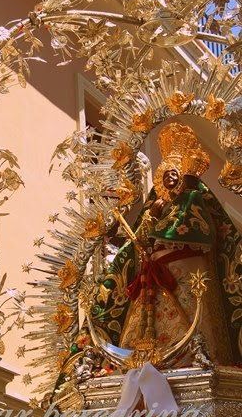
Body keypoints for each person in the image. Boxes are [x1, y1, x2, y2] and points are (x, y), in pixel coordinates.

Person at [92, 122, 242, 364]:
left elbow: (199, 229)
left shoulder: (193, 197)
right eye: (166, 174)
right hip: (154, 273)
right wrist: (150, 221)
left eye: (175, 173)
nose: (171, 177)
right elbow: (142, 237)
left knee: (190, 312)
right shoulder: (155, 206)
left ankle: (198, 354)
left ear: (182, 177)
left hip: (186, 267)